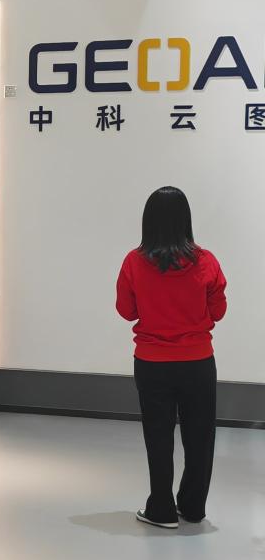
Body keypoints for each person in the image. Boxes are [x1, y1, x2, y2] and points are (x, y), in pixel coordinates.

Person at [116, 186, 226, 529]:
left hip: (152, 363)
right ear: (186, 220)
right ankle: (192, 507)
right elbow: (218, 311)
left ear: (148, 221)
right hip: (198, 362)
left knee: (158, 437)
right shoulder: (207, 261)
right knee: (200, 437)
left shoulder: (134, 262)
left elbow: (126, 310)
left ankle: (161, 510)